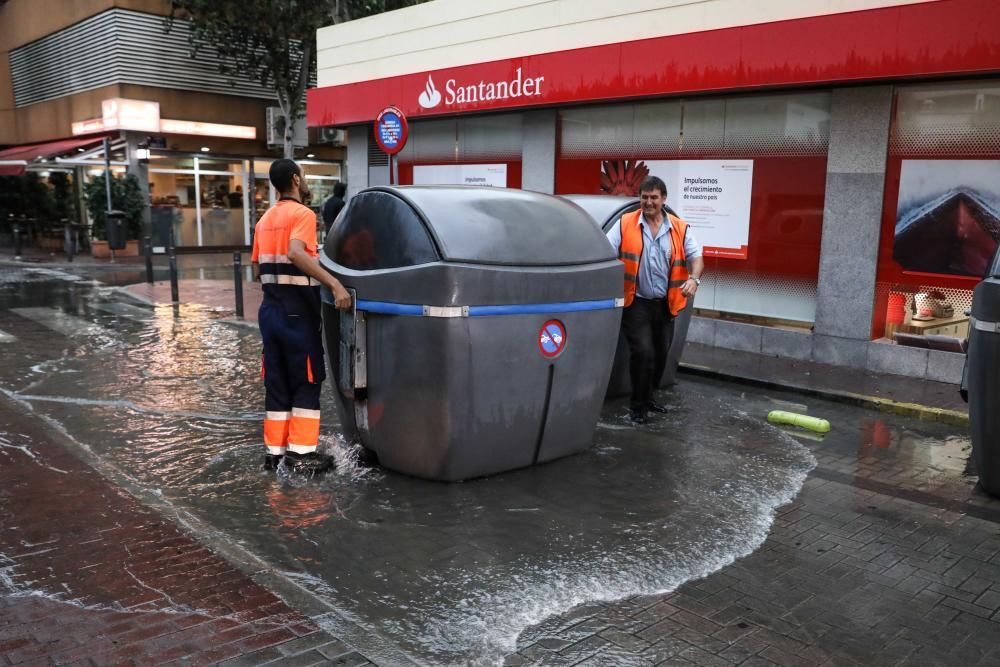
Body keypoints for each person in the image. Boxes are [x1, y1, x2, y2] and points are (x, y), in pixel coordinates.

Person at [252, 159, 352, 476]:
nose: (305, 181)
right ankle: (301, 455)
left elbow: (259, 268)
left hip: (270, 312)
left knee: (277, 381)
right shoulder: (303, 214)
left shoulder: (264, 220)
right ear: (296, 179)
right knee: (308, 378)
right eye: (304, 177)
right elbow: (295, 253)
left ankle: (275, 454)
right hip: (298, 313)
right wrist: (334, 284)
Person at [606, 176, 704, 424]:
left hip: (666, 303)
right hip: (636, 300)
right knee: (643, 351)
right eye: (644, 197)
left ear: (663, 199)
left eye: (653, 198)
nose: (648, 202)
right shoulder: (625, 223)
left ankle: (648, 398)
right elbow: (606, 250)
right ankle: (637, 408)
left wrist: (694, 279)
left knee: (660, 354)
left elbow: (697, 257)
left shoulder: (680, 228)